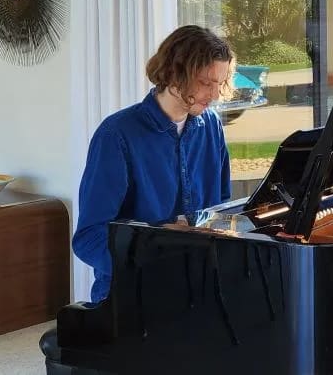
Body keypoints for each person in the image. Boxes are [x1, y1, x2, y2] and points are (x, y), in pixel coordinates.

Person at [72, 25, 233, 302]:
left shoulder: (211, 126)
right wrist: (157, 249)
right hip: (133, 295)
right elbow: (89, 238)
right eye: (206, 83)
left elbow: (221, 210)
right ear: (173, 73)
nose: (215, 95)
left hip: (198, 289)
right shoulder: (116, 134)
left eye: (219, 84)